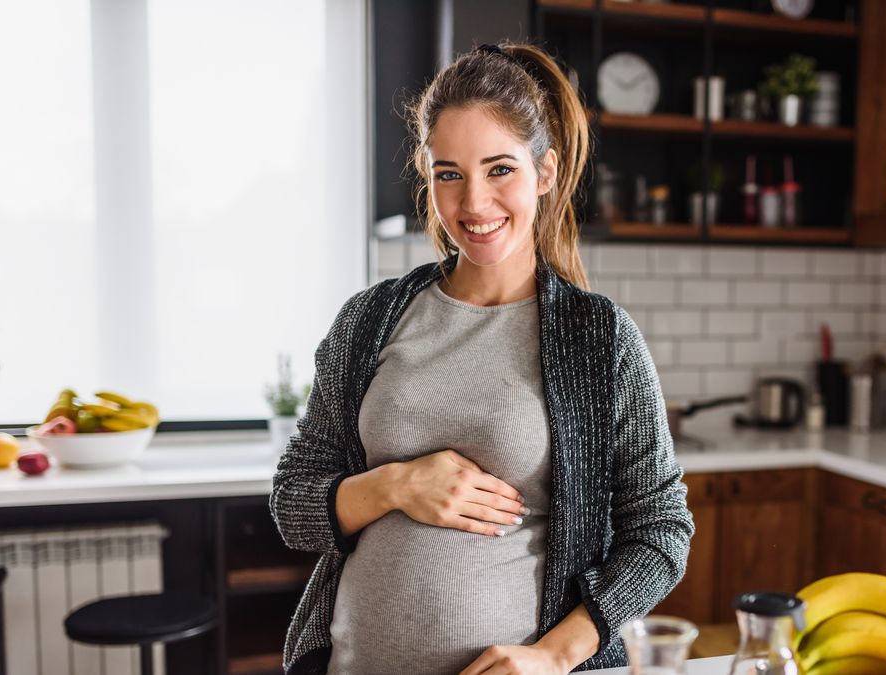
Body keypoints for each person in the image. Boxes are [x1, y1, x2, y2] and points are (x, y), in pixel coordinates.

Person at [270, 41, 694, 675]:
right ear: (427, 172)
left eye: (500, 170)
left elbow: (661, 531)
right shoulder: (369, 320)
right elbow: (294, 504)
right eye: (450, 174)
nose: (473, 204)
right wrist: (397, 485)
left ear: (544, 172)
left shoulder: (598, 338)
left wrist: (553, 656)